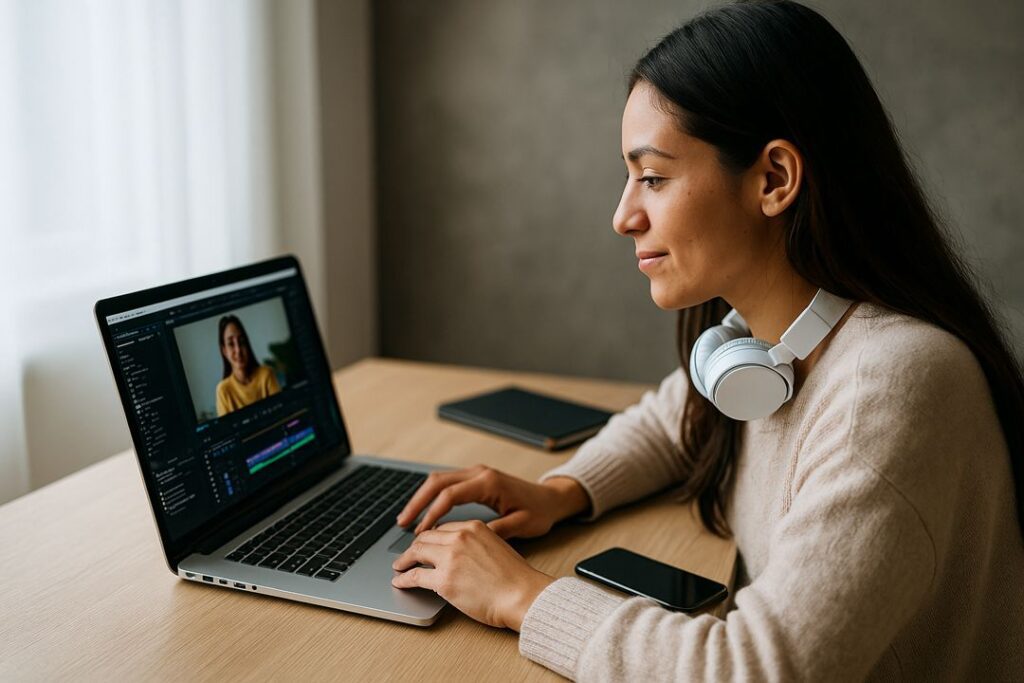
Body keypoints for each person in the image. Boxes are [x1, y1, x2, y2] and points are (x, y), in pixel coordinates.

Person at [387, 1, 1024, 680]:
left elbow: (755, 669)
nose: (623, 215)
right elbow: (675, 421)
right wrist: (561, 491)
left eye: (654, 177)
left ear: (773, 179)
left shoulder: (896, 384)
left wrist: (522, 594)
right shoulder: (764, 342)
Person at [215, 315, 281, 417]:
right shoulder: (223, 390)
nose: (238, 350)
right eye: (231, 344)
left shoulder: (266, 375)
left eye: (241, 342)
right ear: (224, 351)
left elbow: (281, 413)